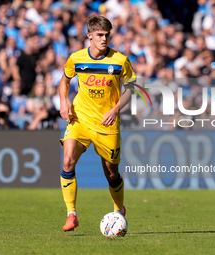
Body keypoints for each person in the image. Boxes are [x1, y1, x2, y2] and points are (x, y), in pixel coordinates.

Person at [59, 15, 136, 232]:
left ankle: (119, 209)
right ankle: (71, 214)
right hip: (80, 119)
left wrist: (115, 109)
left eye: (107, 35)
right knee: (67, 161)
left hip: (107, 123)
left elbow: (131, 89)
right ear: (89, 35)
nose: (104, 39)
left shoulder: (120, 60)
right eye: (100, 35)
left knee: (111, 173)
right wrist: (64, 102)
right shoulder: (77, 58)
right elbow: (65, 80)